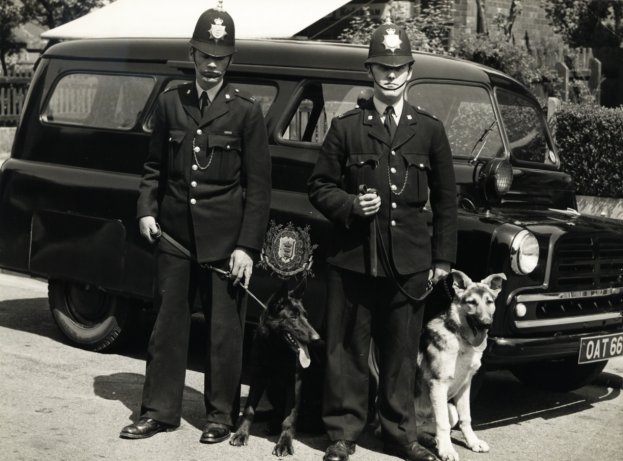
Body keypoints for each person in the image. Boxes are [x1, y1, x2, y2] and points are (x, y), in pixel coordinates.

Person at [119, 6, 271, 444]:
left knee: (224, 333)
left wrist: (248, 247)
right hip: (174, 237)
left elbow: (259, 189)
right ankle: (158, 411)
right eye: (204, 54)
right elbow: (153, 167)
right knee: (167, 326)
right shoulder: (171, 102)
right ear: (192, 53)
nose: (210, 64)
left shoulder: (245, 113)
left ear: (230, 60)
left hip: (226, 244)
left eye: (219, 57)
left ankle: (220, 414)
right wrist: (146, 209)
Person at [307, 22, 457, 461]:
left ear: (409, 71)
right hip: (354, 260)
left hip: (409, 265)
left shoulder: (429, 130)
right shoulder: (347, 127)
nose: (390, 76)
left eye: (397, 68)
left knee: (400, 353)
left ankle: (399, 434)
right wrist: (352, 205)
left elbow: (447, 202)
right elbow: (318, 187)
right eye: (381, 68)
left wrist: (442, 260)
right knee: (348, 351)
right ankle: (342, 433)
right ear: (369, 71)